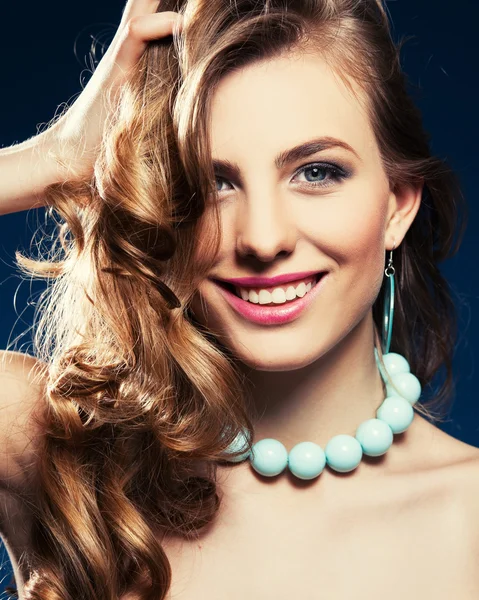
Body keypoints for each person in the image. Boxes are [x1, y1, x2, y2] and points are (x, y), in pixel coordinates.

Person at [0, 0, 477, 598]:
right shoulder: (54, 457)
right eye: (212, 182)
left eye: (318, 172)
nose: (264, 239)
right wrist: (58, 159)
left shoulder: (471, 517)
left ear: (398, 205)